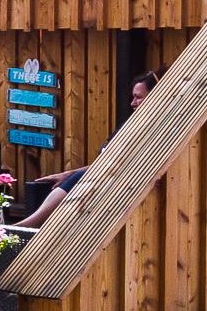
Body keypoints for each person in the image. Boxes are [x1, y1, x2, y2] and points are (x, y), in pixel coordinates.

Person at [16, 69, 162, 228]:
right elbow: (106, 161)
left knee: (80, 178)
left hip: (122, 185)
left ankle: (27, 225)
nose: (132, 103)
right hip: (103, 178)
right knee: (72, 178)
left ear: (154, 96)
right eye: (133, 97)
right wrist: (68, 173)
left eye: (138, 97)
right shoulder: (129, 126)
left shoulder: (153, 129)